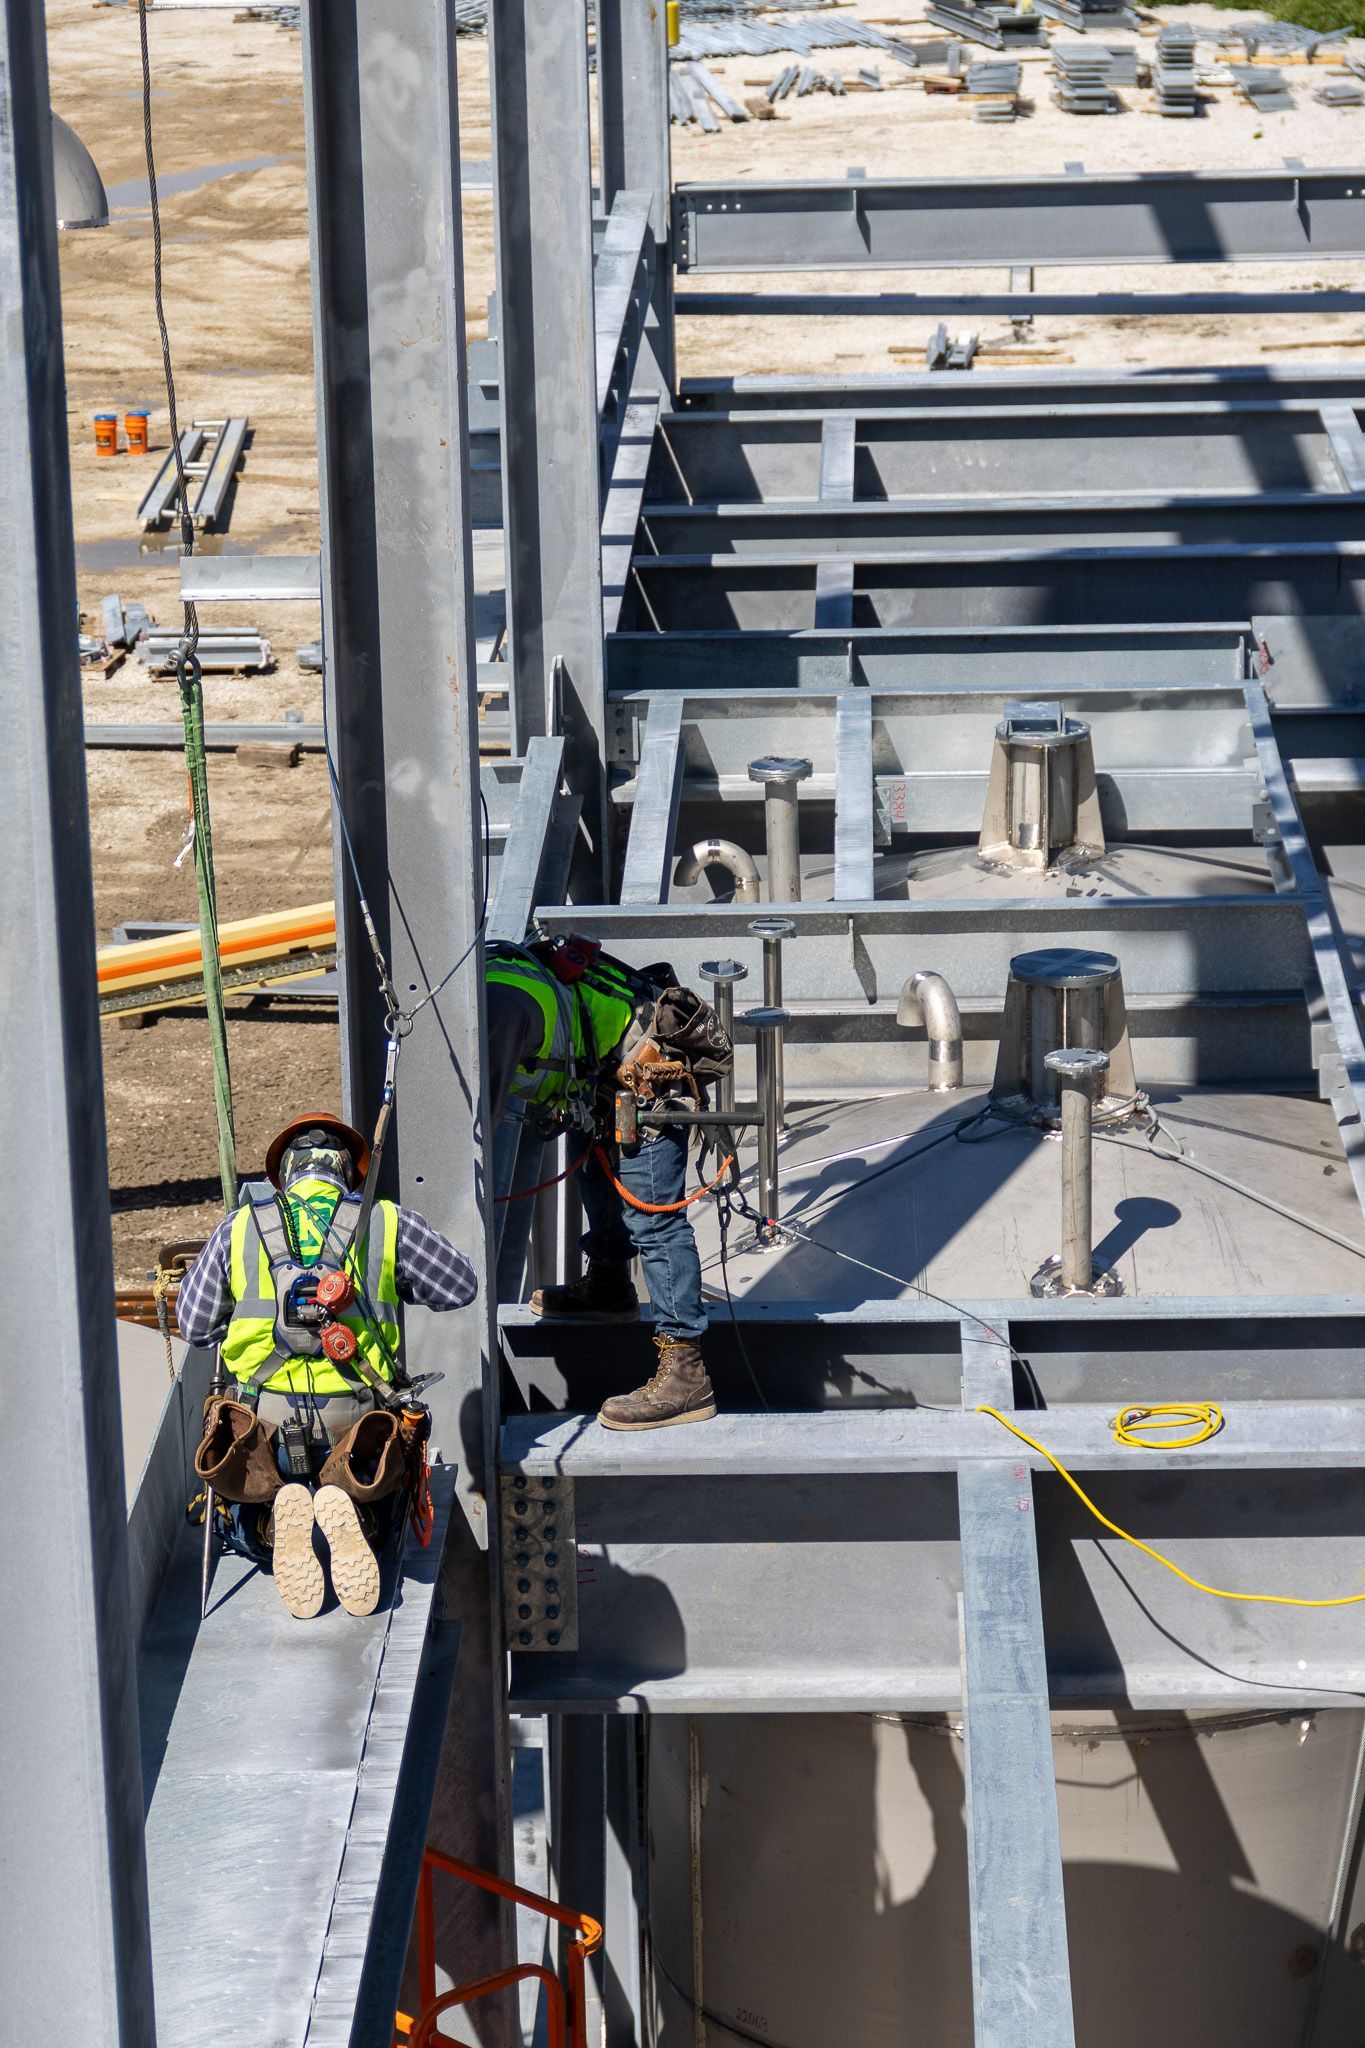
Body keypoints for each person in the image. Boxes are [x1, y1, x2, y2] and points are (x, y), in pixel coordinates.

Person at [176, 1113, 478, 1619]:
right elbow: (460, 1287)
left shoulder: (242, 1226)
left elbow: (195, 1325)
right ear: (348, 1173)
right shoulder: (384, 1221)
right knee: (383, 1498)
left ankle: (271, 1523)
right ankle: (357, 1510)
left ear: (284, 1174)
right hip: (357, 1421)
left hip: (262, 1421)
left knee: (239, 1517)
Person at [485, 938, 720, 1432]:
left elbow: (475, 1124)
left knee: (652, 1219)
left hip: (647, 1071)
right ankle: (611, 1288)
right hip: (602, 1079)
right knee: (596, 1176)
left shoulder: (497, 1013)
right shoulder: (493, 995)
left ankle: (687, 1372)